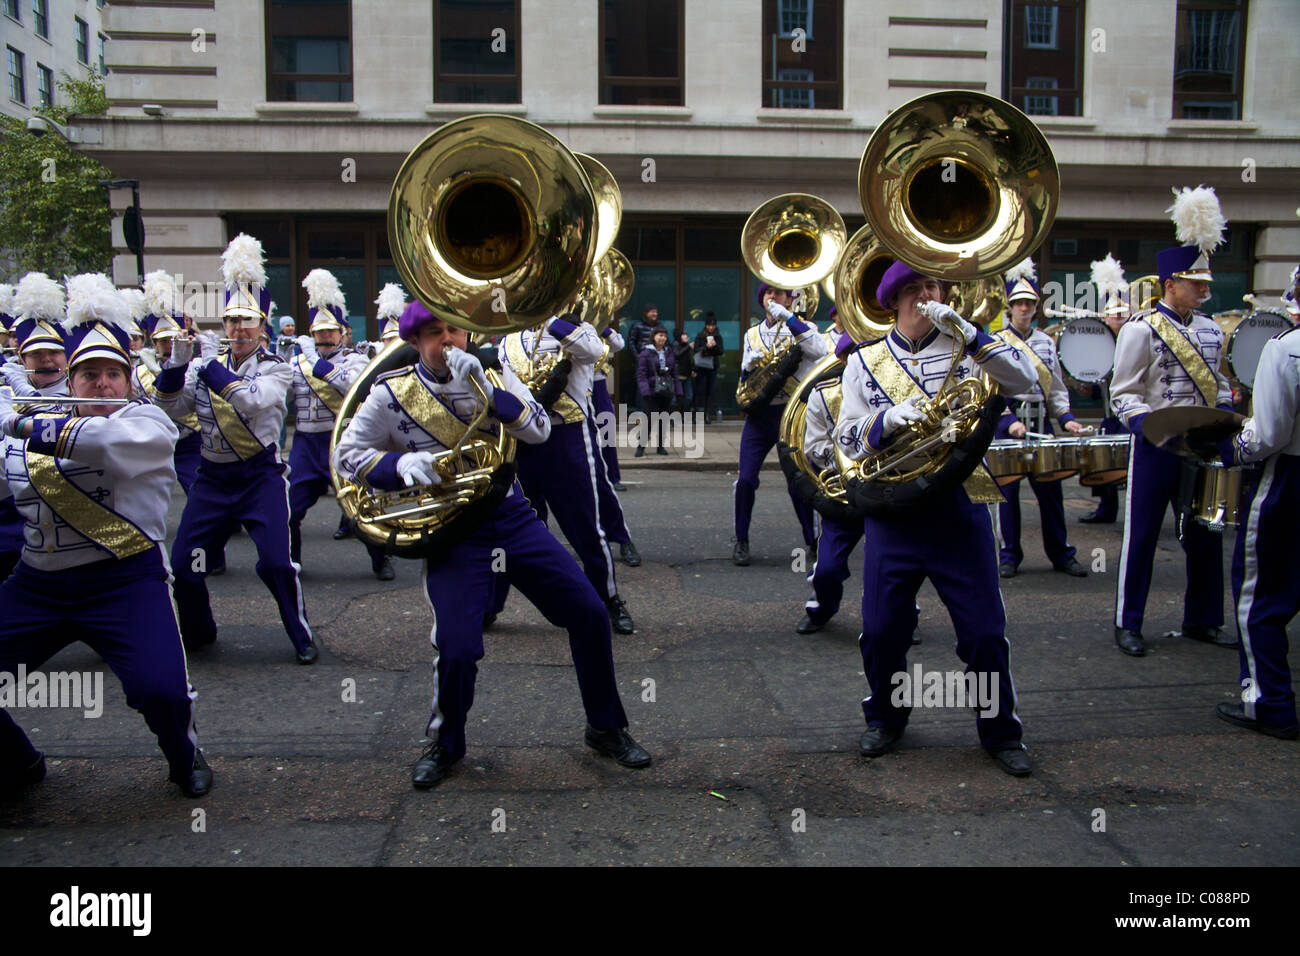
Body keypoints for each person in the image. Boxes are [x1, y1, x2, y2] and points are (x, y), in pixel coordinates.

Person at [333, 301, 651, 789]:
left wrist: (496, 394)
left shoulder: (495, 373)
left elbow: (541, 430)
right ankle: (445, 744)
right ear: (416, 341)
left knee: (588, 612)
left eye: (456, 331)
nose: (448, 341)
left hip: (510, 516)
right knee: (458, 648)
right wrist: (396, 468)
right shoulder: (390, 394)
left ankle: (606, 726)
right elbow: (348, 455)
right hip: (452, 530)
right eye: (435, 333)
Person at [0, 272, 211, 798]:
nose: (100, 384)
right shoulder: (32, 423)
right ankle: (19, 760)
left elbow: (106, 444)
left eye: (112, 374)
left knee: (160, 691)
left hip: (125, 581)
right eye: (87, 374)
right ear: (70, 383)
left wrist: (14, 424)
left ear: (128, 380)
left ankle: (184, 757)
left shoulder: (147, 422)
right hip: (37, 584)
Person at [833, 260, 1037, 776]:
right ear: (896, 301)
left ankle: (999, 730)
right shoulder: (865, 360)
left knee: (984, 632)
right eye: (918, 289)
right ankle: (885, 715)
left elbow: (1027, 381)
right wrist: (882, 421)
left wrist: (971, 333)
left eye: (935, 286)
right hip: (896, 509)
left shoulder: (969, 350)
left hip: (961, 502)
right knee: (881, 630)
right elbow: (845, 437)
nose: (930, 295)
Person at [155, 233, 318, 664]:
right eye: (231, 321)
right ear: (224, 325)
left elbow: (250, 401)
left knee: (277, 565)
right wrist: (174, 365)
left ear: (263, 326)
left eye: (248, 321)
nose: (239, 329)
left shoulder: (277, 369)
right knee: (184, 563)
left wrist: (205, 366)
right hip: (211, 478)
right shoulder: (203, 366)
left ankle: (300, 634)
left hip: (259, 477)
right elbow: (172, 407)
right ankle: (199, 633)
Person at [1110, 187, 1234, 657]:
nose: (1205, 290)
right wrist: (1145, 425)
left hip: (1200, 445)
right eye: (1196, 283)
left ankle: (1203, 619)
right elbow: (1123, 392)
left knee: (1205, 533)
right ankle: (1129, 622)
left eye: (1205, 283)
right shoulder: (1142, 329)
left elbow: (1219, 385)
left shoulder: (1209, 329)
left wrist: (1224, 415)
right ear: (1170, 284)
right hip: (1156, 445)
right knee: (1141, 535)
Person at [500, 315, 638, 634]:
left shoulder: (578, 330)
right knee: (511, 529)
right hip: (521, 444)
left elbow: (592, 351)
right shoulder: (506, 340)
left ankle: (609, 599)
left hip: (567, 438)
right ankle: (491, 604)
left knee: (586, 527)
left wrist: (549, 318)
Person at [1204, 324, 1299, 739]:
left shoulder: (1287, 348)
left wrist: (1229, 449)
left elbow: (1270, 433)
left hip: (1290, 480)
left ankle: (1270, 705)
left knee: (1260, 601)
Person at [286, 269, 393, 580]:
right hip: (306, 445)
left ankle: (380, 559)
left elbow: (351, 387)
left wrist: (315, 363)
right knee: (290, 510)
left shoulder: (355, 361)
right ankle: (292, 562)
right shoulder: (297, 363)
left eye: (331, 331)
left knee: (362, 505)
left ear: (343, 331)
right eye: (319, 331)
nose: (324, 336)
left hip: (341, 440)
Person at [992, 259, 1088, 578]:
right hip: (1011, 423)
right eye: (1018, 303)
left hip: (1042, 422)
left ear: (1035, 308)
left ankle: (1060, 553)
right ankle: (1009, 555)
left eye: (1029, 303)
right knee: (1007, 495)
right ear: (1009, 308)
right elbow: (990, 391)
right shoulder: (996, 343)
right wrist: (1008, 422)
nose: (1024, 308)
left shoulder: (1047, 342)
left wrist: (1067, 417)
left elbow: (1056, 386)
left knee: (1051, 491)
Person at [732, 284, 826, 566]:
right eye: (767, 293)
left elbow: (819, 350)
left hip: (793, 415)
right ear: (761, 299)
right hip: (761, 416)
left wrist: (790, 319)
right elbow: (746, 378)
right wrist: (747, 368)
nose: (773, 297)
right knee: (746, 479)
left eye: (779, 293)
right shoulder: (752, 333)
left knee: (798, 483)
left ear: (789, 298)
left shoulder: (803, 326)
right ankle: (741, 539)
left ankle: (812, 541)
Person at [590, 321, 640, 562]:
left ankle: (615, 476)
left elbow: (618, 344)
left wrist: (602, 327)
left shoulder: (594, 326)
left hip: (596, 383)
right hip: (566, 388)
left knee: (607, 436)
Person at [636, 326, 678, 456]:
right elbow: (641, 374)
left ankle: (660, 446)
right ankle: (641, 446)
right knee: (650, 418)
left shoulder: (669, 351)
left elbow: (674, 372)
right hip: (651, 390)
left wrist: (678, 390)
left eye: (664, 336)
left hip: (666, 390)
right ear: (653, 336)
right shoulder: (646, 353)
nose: (662, 338)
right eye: (660, 335)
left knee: (663, 419)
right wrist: (645, 391)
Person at [625, 303, 660, 410]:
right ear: (645, 313)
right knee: (642, 389)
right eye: (652, 311)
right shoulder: (637, 325)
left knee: (657, 388)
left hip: (657, 362)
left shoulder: (659, 326)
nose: (655, 314)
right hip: (643, 362)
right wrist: (638, 358)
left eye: (656, 311)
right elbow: (631, 343)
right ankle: (640, 414)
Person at [692, 312, 724, 421]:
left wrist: (714, 346)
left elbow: (720, 352)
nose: (711, 327)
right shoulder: (700, 336)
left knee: (710, 391)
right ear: (706, 325)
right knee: (699, 390)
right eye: (709, 325)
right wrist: (706, 347)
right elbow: (696, 350)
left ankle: (707, 414)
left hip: (712, 367)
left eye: (713, 325)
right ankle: (696, 414)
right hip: (701, 366)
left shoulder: (718, 336)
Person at [673, 329, 695, 414]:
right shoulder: (675, 344)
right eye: (684, 334)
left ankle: (682, 414)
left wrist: (692, 369)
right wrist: (688, 347)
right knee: (675, 399)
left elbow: (688, 361)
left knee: (689, 397)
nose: (686, 336)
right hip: (677, 376)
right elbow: (677, 355)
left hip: (687, 376)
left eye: (686, 334)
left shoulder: (686, 346)